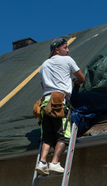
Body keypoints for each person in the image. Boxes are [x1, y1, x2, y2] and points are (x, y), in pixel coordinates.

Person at [35, 37, 85, 176]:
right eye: (65, 48)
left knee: (47, 137)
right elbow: (82, 78)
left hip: (45, 103)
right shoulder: (67, 60)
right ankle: (55, 163)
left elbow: (43, 86)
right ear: (57, 49)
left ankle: (42, 162)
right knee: (63, 136)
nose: (68, 50)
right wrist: (75, 82)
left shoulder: (43, 65)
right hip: (59, 103)